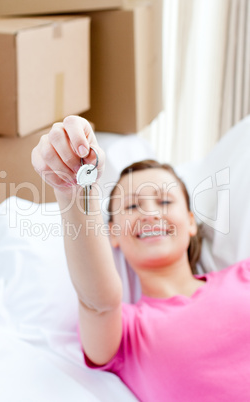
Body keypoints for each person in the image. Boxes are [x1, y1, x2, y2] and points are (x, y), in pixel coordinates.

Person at [32, 115, 250, 402]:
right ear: (113, 235)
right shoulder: (127, 330)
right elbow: (97, 301)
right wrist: (73, 189)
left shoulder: (243, 275)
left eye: (164, 201)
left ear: (191, 222)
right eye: (132, 205)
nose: (149, 213)